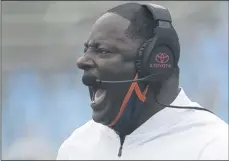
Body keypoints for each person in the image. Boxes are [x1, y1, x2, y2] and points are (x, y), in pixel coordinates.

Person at [57, 2, 228, 160]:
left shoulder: (213, 146)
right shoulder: (76, 148)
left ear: (155, 64)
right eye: (86, 50)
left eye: (102, 51)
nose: (82, 61)